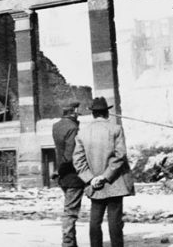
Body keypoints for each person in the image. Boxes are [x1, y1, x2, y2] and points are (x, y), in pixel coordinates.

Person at [73, 97, 134, 247]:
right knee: (115, 222)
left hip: (95, 185)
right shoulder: (116, 129)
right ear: (107, 113)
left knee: (95, 221)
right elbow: (120, 155)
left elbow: (78, 161)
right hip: (115, 183)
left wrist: (91, 179)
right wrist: (105, 176)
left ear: (93, 114)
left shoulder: (82, 133)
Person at [52, 100, 85, 247]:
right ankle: (68, 243)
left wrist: (59, 171)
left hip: (63, 176)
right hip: (73, 175)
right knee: (70, 212)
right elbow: (70, 154)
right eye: (77, 111)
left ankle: (72, 243)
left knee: (69, 209)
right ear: (73, 112)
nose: (78, 114)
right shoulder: (73, 127)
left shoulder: (56, 126)